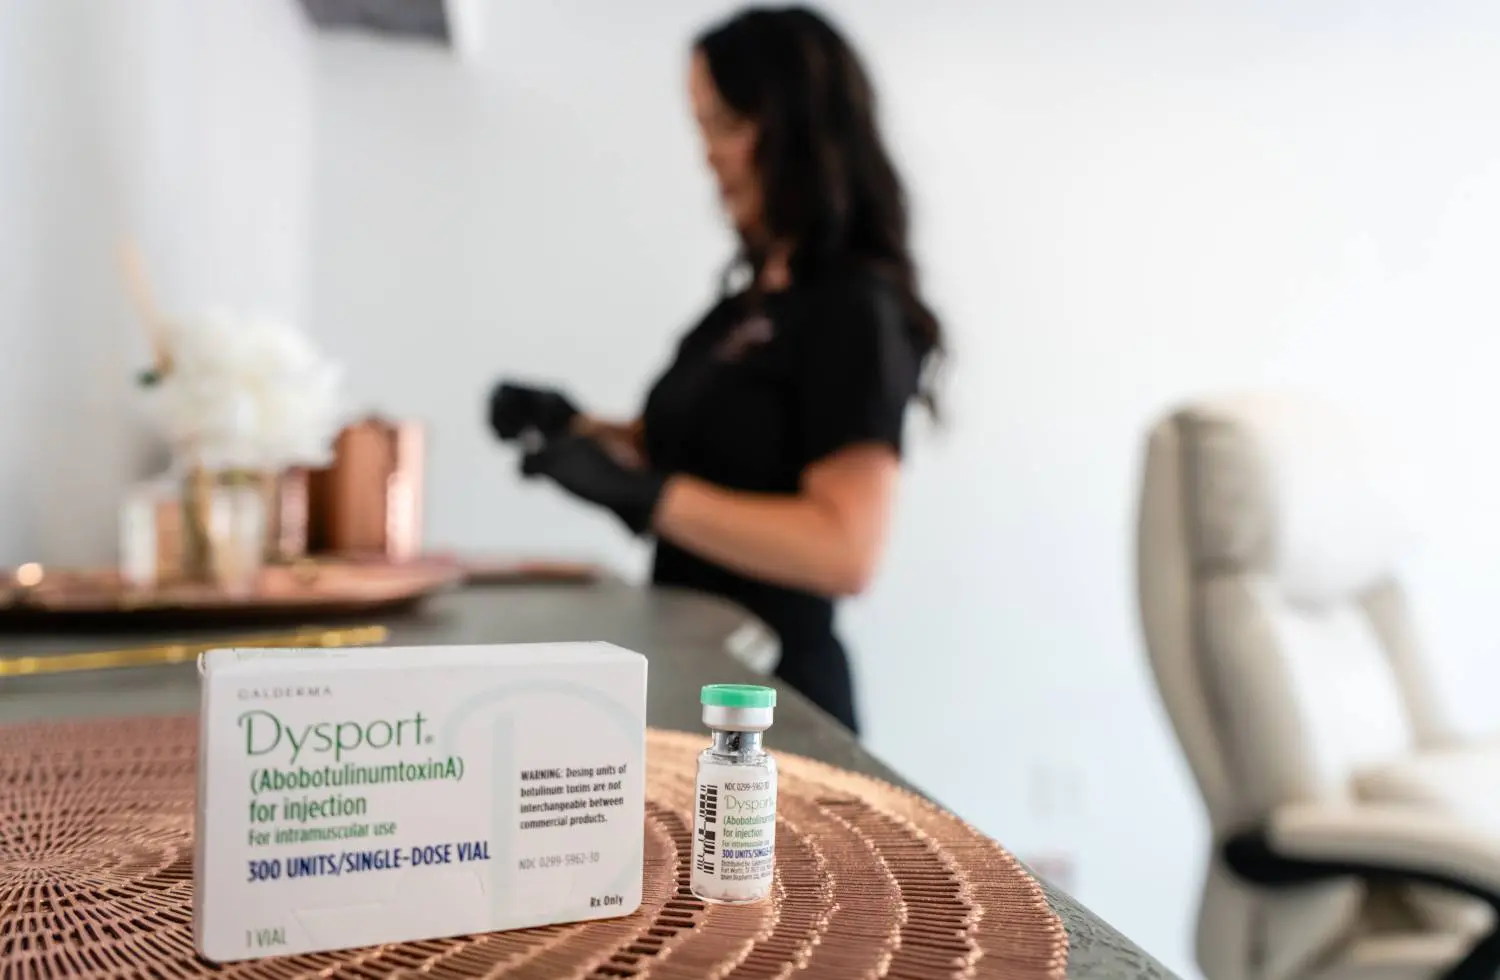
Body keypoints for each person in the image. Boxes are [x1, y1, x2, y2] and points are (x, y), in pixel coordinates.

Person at [487, 5, 943, 735]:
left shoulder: (852, 310)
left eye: (727, 126)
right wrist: (579, 428)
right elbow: (709, 450)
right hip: (697, 682)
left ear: (800, 128)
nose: (708, 156)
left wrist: (651, 495)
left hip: (777, 708)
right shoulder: (746, 304)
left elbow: (845, 550)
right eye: (701, 127)